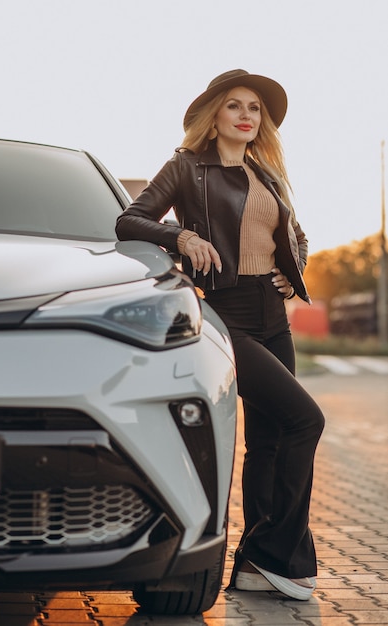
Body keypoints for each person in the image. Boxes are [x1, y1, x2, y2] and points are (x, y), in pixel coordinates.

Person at [115, 69, 325, 601]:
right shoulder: (187, 168)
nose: (247, 116)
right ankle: (276, 551)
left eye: (254, 108)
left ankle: (254, 567)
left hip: (273, 314)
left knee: (272, 439)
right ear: (215, 116)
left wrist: (291, 269)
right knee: (307, 419)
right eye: (235, 106)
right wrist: (181, 235)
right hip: (226, 312)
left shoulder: (268, 174)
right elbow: (130, 220)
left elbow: (295, 235)